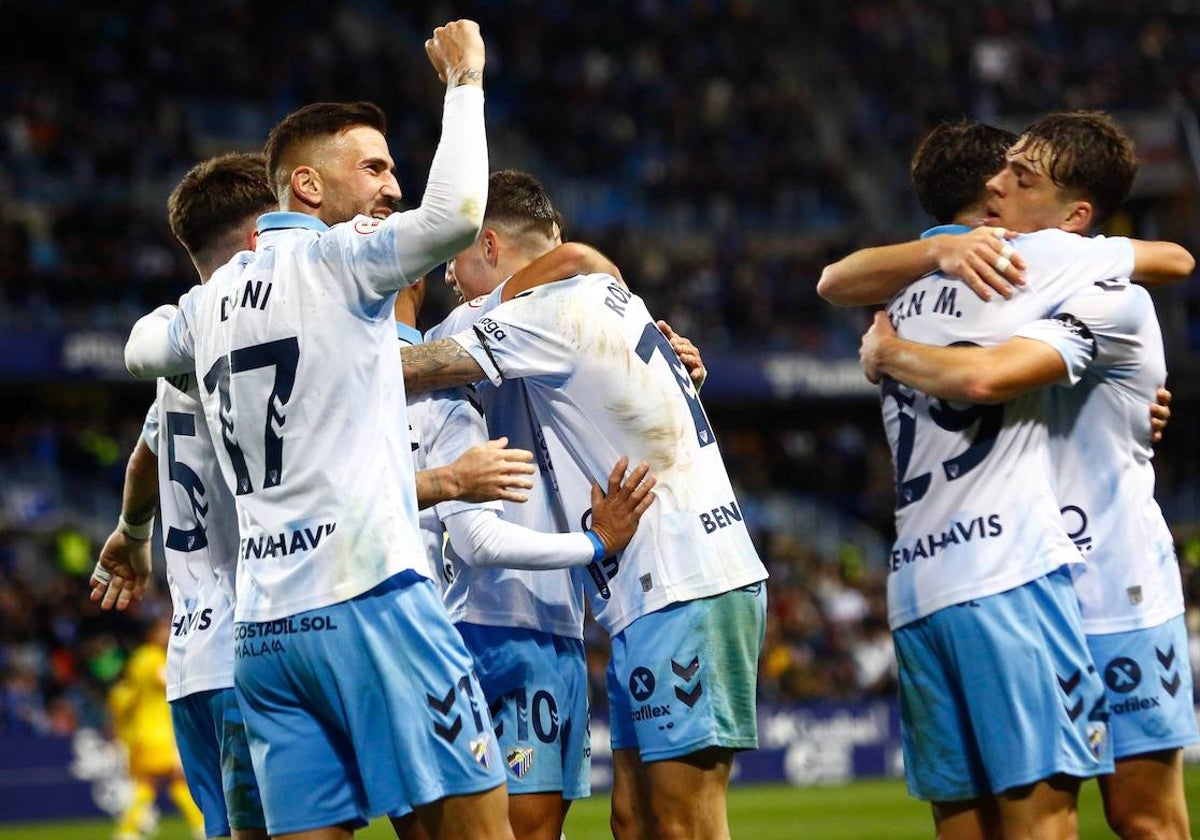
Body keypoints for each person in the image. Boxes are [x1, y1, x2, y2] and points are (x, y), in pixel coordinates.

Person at [122, 20, 519, 840]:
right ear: (305, 186)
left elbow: (141, 350)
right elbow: (455, 216)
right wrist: (466, 79)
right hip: (372, 598)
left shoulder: (204, 309)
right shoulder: (340, 261)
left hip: (266, 639)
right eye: (373, 167)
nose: (391, 188)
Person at [819, 113, 1193, 840]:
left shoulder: (1092, 279)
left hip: (1113, 583)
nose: (998, 188)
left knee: (1141, 816)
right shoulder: (983, 274)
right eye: (1000, 175)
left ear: (1071, 215)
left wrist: (887, 353)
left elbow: (1172, 260)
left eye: (1020, 179)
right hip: (1022, 575)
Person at [396, 175, 767, 840]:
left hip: (686, 578)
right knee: (633, 819)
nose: (452, 280)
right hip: (645, 591)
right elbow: (587, 265)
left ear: (489, 244)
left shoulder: (554, 306)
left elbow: (409, 369)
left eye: (457, 263)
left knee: (683, 824)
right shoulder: (602, 302)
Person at [108, 615, 206, 840]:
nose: (168, 633)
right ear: (152, 633)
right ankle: (199, 825)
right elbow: (167, 680)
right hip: (158, 732)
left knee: (148, 783)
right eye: (163, 629)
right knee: (177, 778)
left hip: (142, 731)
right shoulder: (154, 658)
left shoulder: (137, 659)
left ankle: (128, 830)